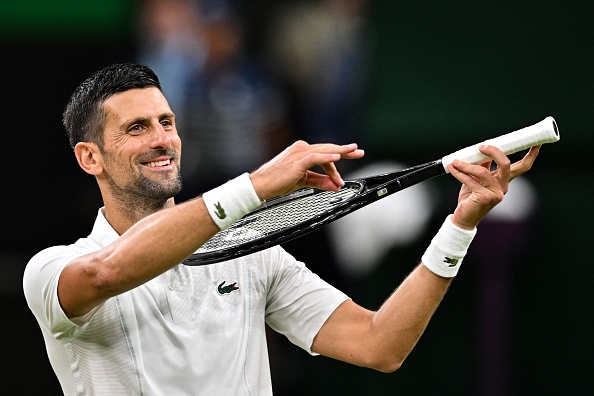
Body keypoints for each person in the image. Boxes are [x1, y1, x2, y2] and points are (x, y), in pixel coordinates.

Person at [23, 63, 541, 395]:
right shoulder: (52, 270)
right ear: (89, 157)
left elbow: (379, 345)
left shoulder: (252, 254)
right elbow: (109, 272)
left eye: (166, 122)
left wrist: (461, 224)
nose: (162, 139)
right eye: (136, 128)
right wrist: (255, 185)